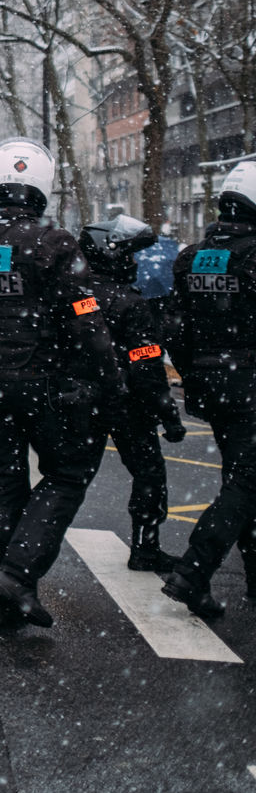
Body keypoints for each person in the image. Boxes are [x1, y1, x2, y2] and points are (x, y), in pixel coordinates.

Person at [0, 137, 125, 628]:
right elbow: (86, 320)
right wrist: (110, 380)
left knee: (5, 480)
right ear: (42, 185)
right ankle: (17, 574)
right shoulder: (54, 242)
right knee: (68, 473)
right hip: (42, 381)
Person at [162, 162, 256, 618]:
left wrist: (194, 373)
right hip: (248, 382)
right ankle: (193, 572)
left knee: (241, 478)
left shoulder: (193, 256)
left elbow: (174, 327)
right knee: (246, 482)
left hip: (212, 383)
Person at [78, 215, 187, 571]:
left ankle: (23, 556)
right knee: (149, 474)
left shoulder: (76, 297)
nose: (134, 262)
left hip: (82, 401)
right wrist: (169, 414)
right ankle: (145, 547)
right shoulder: (130, 303)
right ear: (113, 256)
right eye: (129, 255)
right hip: (127, 405)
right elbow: (147, 364)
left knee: (67, 481)